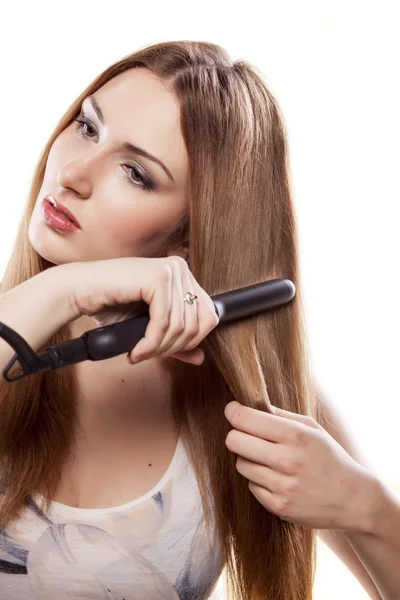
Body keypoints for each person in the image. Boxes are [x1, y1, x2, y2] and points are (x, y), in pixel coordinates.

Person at [0, 40, 397, 600]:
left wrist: (372, 508)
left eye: (135, 172)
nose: (71, 174)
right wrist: (66, 289)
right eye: (88, 128)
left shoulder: (256, 398)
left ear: (191, 236)